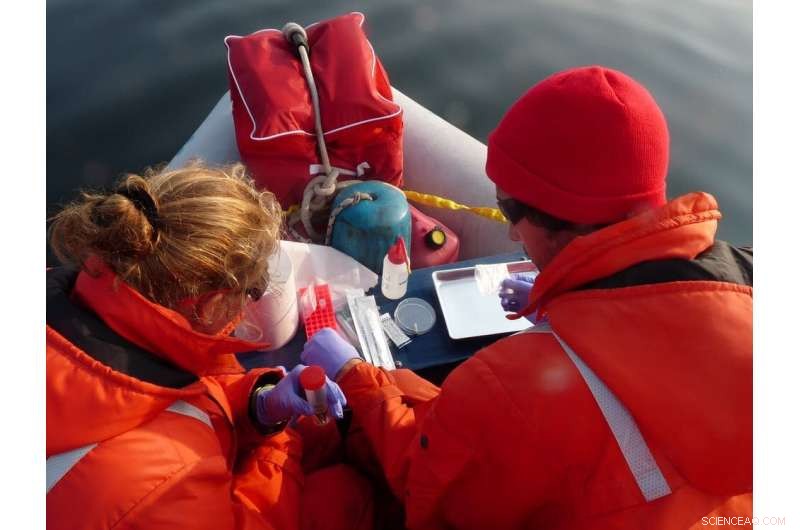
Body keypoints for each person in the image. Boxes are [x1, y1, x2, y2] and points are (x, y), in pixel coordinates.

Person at [301, 66, 753, 529]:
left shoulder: (502, 389)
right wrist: (557, 301)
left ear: (565, 222)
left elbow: (425, 489)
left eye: (510, 210)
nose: (512, 232)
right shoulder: (752, 277)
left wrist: (355, 374)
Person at [46, 162, 374, 530]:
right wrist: (277, 442)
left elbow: (167, 394)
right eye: (252, 290)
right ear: (211, 303)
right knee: (348, 493)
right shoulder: (167, 480)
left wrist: (257, 405)